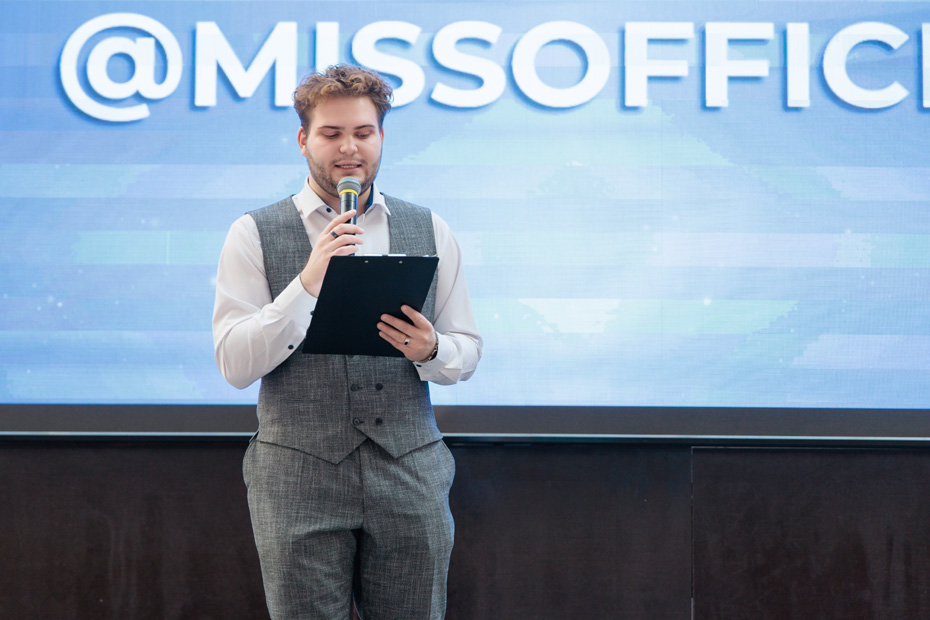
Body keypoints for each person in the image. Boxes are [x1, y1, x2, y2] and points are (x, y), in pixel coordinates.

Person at [212, 64, 482, 619]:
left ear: (381, 136)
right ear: (303, 139)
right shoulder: (252, 232)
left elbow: (467, 350)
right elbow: (235, 363)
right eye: (331, 133)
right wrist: (307, 282)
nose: (349, 148)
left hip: (409, 469)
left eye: (363, 132)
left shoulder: (430, 227)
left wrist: (431, 350)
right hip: (296, 476)